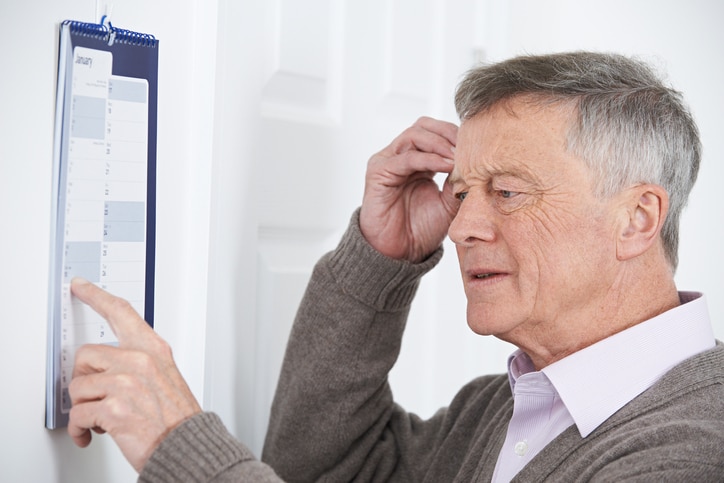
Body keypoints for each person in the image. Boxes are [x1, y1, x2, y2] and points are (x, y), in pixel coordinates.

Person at [68, 51, 724, 482]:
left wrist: (182, 447)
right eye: (462, 190)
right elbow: (322, 469)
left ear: (637, 218)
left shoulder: (696, 448)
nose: (463, 225)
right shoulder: (503, 407)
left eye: (509, 191)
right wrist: (380, 262)